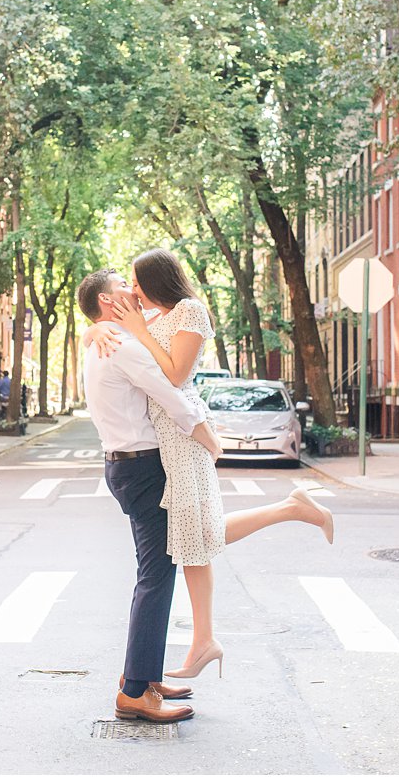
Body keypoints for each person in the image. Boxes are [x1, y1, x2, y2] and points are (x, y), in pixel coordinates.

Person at [85, 248, 334, 681]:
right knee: (195, 536)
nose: (135, 290)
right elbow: (115, 340)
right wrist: (95, 332)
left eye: (138, 282)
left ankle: (204, 638)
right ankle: (205, 638)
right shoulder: (148, 320)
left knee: (194, 536)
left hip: (183, 434)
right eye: (128, 285)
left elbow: (175, 377)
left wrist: (135, 330)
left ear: (158, 278)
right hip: (165, 437)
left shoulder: (189, 311)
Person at [76, 267, 224, 725]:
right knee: (156, 578)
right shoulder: (118, 344)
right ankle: (136, 692)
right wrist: (210, 440)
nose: (133, 290)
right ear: (106, 302)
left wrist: (95, 328)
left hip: (127, 465)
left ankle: (143, 675)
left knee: (155, 573)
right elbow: (170, 392)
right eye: (123, 286)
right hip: (140, 467)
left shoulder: (105, 339)